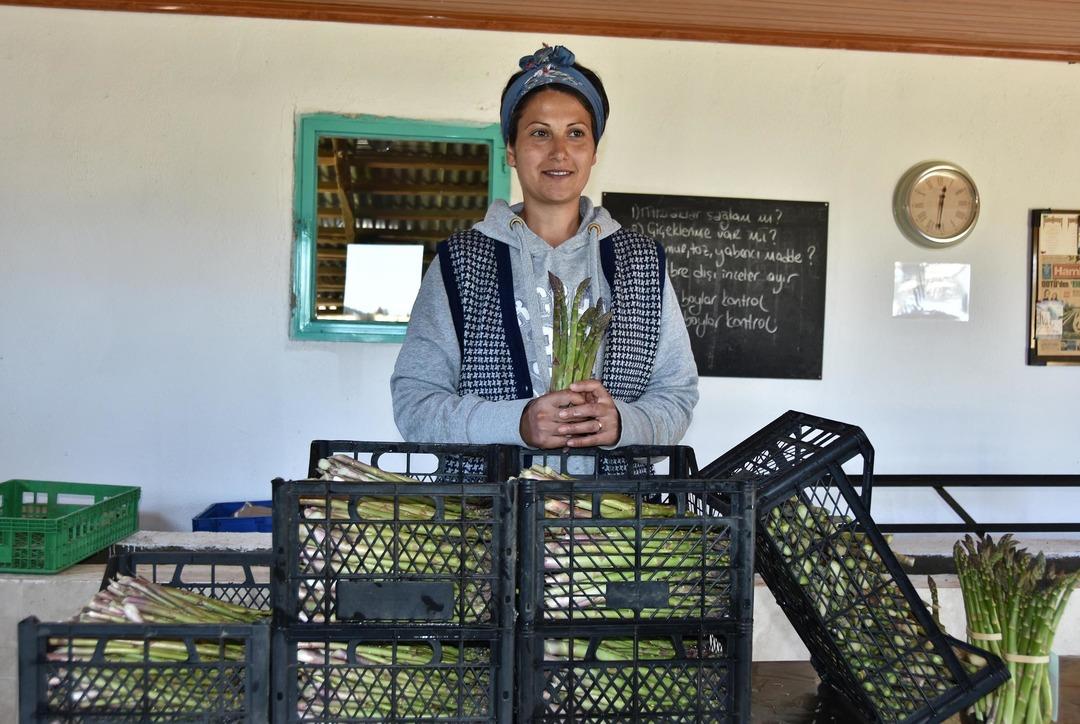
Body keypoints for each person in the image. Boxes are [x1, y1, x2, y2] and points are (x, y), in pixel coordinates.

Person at [391, 44, 698, 450]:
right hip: (490, 507)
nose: (559, 152)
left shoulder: (642, 263)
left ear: (593, 152)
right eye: (539, 133)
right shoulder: (460, 262)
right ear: (512, 151)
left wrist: (625, 423)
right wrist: (516, 423)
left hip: (616, 509)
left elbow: (677, 394)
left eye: (576, 133)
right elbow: (415, 403)